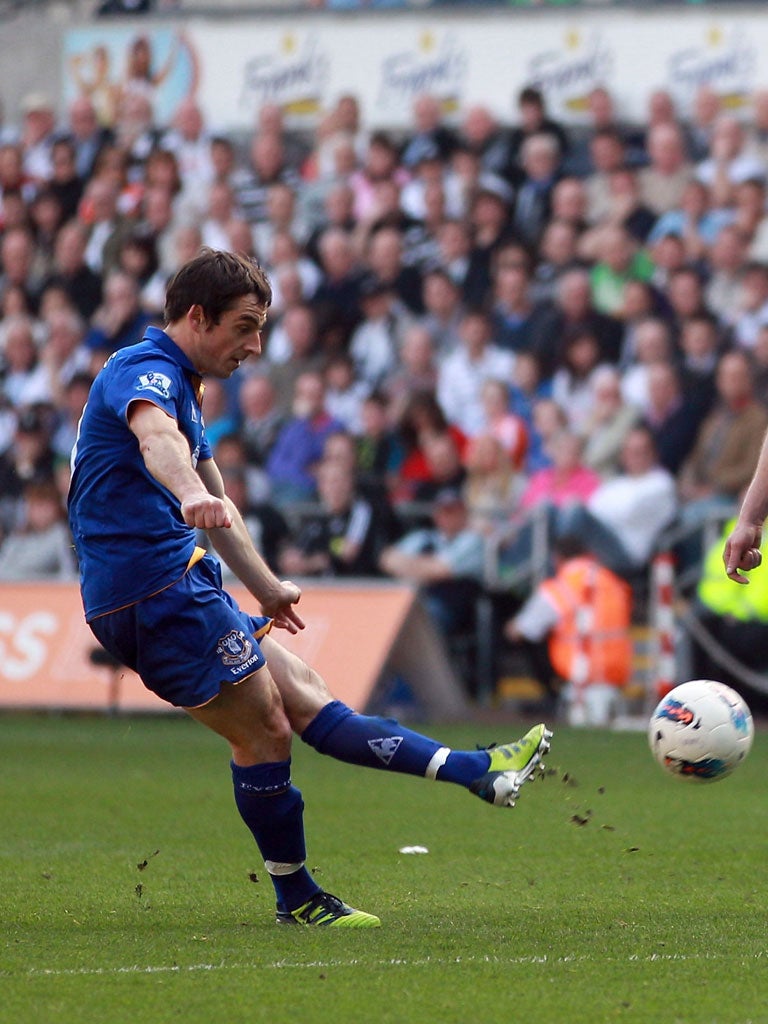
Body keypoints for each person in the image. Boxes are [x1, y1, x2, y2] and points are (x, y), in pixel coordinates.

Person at [67, 248, 552, 929]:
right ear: (198, 317)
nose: (256, 346)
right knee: (266, 730)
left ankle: (479, 770)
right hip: (149, 594)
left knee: (305, 694)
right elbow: (159, 445)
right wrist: (185, 496)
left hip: (180, 580)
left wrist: (265, 588)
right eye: (245, 326)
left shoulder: (188, 384)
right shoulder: (140, 371)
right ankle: (296, 898)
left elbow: (219, 499)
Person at [503, 534, 633, 726]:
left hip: (578, 670)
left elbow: (521, 630)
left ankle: (550, 697)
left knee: (529, 636)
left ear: (557, 558)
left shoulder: (562, 586)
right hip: (617, 669)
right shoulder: (613, 582)